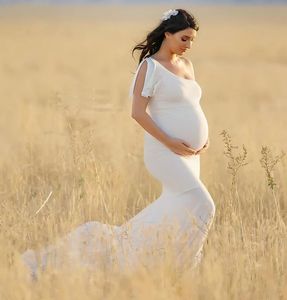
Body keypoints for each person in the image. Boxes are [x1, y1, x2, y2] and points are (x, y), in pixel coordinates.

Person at [21, 8, 216, 280]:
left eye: (192, 40)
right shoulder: (150, 67)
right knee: (203, 204)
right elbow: (137, 112)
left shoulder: (187, 66)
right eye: (184, 38)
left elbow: (191, 104)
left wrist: (203, 140)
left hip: (190, 155)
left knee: (174, 210)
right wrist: (171, 141)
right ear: (168, 34)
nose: (189, 46)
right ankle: (182, 270)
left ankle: (149, 265)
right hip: (164, 152)